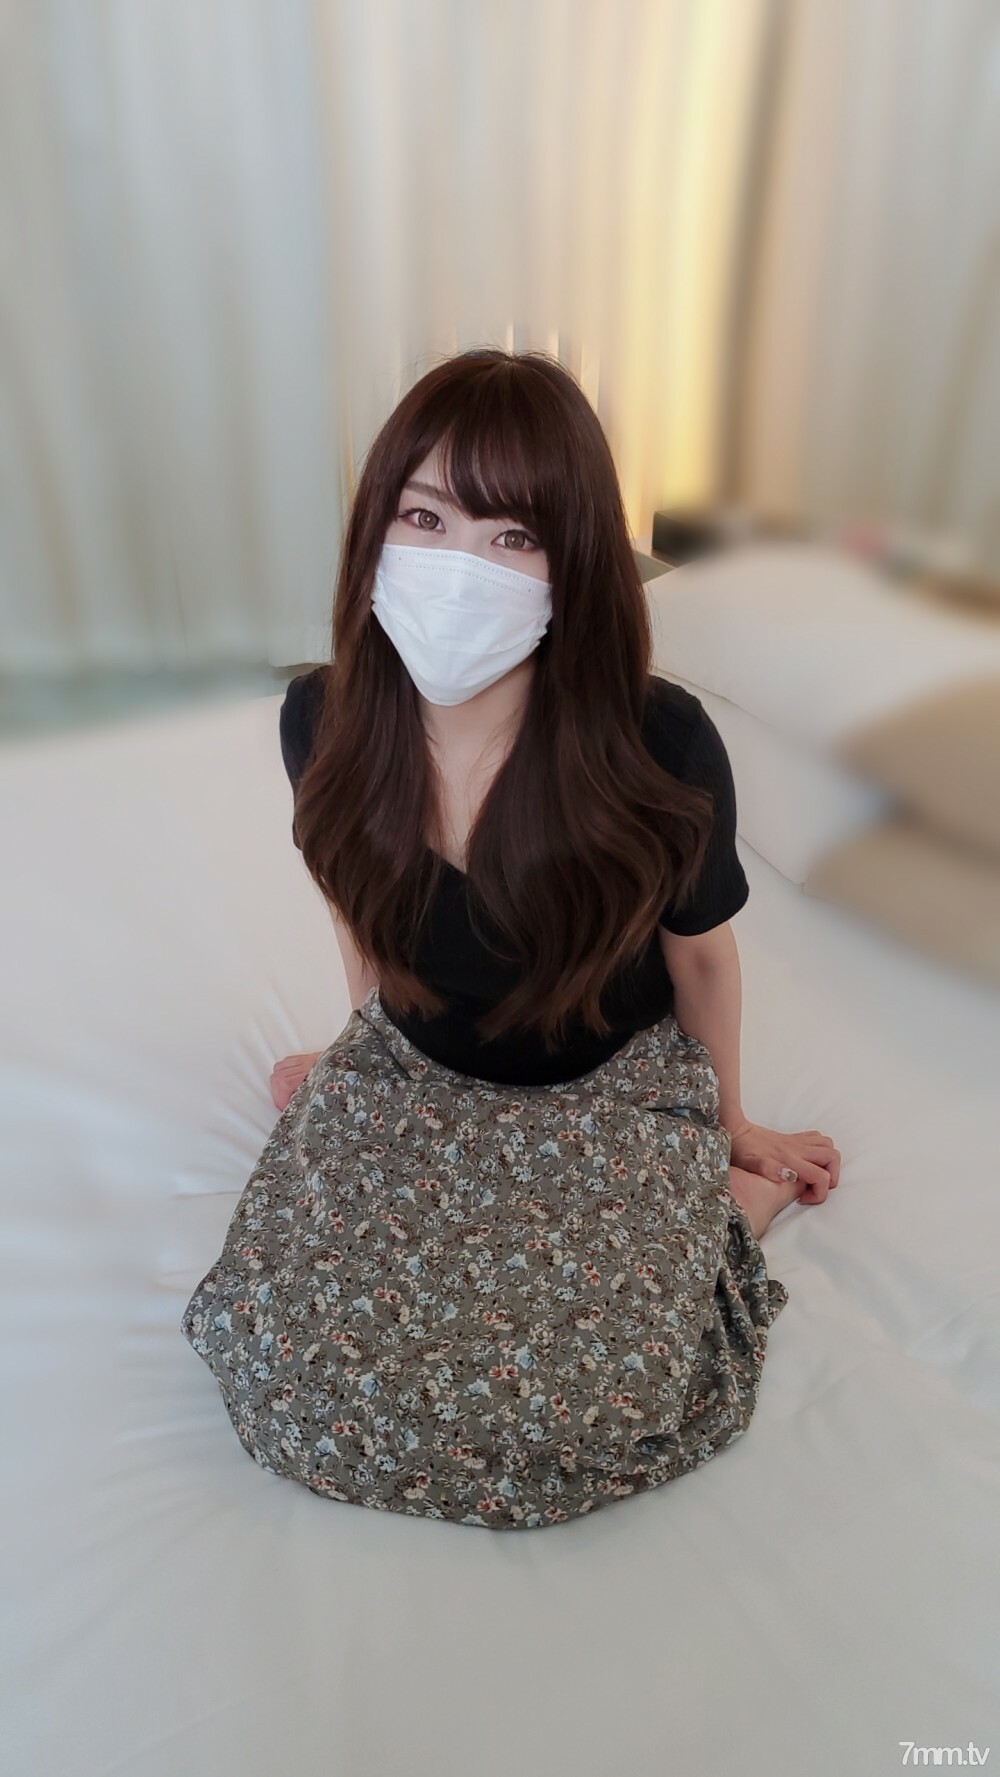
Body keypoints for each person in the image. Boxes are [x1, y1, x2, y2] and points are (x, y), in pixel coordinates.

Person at [181, 347, 840, 1531]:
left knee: (594, 1404)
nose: (456, 568)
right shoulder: (320, 718)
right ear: (375, 528)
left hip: (607, 1088)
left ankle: (730, 1209)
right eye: (425, 517)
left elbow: (699, 953)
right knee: (278, 1364)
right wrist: (357, 1044)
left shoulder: (659, 744)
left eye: (512, 536)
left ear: (570, 565)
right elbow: (354, 903)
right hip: (415, 1066)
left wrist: (730, 1122)